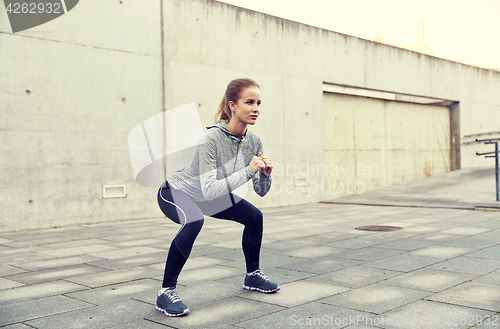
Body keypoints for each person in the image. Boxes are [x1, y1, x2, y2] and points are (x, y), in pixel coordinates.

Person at [155, 78, 279, 317]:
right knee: (193, 221)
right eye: (249, 102)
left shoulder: (254, 141)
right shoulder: (210, 139)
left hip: (207, 195)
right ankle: (165, 291)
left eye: (259, 103)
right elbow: (210, 189)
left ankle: (253, 275)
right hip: (176, 192)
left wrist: (264, 175)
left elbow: (261, 191)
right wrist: (248, 171)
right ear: (232, 105)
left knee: (254, 216)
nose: (256, 109)